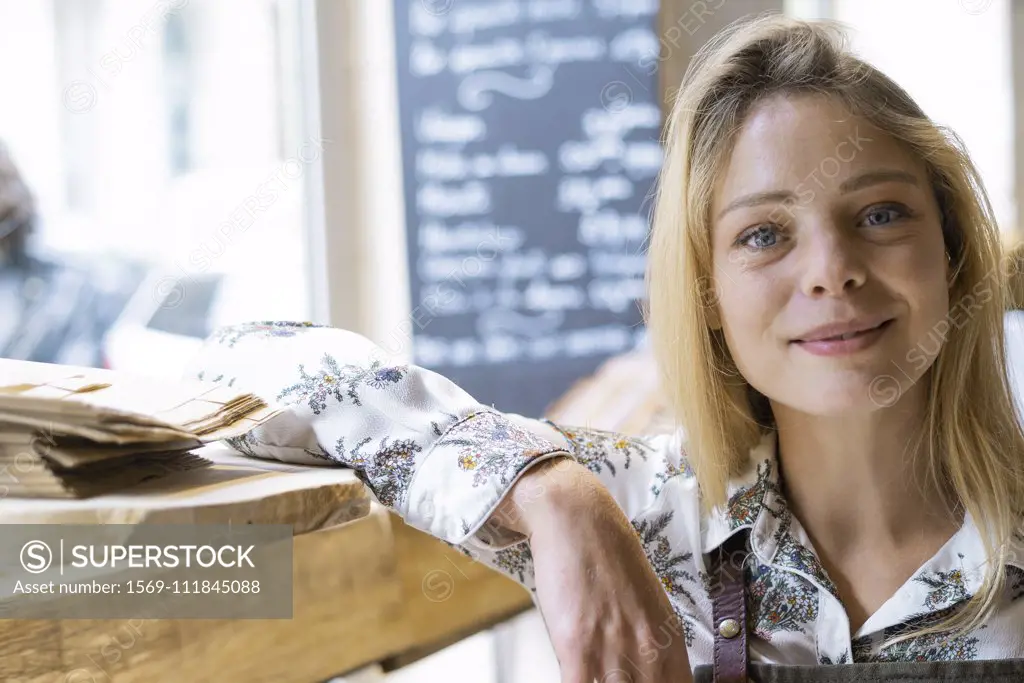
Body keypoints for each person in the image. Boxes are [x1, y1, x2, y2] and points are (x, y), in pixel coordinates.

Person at [185, 13, 1024, 682]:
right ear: (708, 298)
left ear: (949, 251)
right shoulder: (645, 512)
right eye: (765, 234)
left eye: (879, 213)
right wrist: (548, 492)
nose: (832, 270)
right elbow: (236, 363)